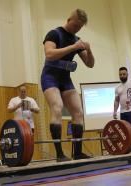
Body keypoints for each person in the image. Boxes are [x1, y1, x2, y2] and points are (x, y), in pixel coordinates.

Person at [41, 9, 95, 162]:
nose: (77, 29)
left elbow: (90, 64)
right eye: (76, 25)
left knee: (78, 112)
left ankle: (77, 153)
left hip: (65, 79)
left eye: (80, 27)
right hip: (50, 76)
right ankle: (59, 155)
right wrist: (73, 47)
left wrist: (88, 49)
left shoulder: (77, 39)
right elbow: (49, 54)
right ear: (69, 19)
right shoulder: (54, 33)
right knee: (57, 107)